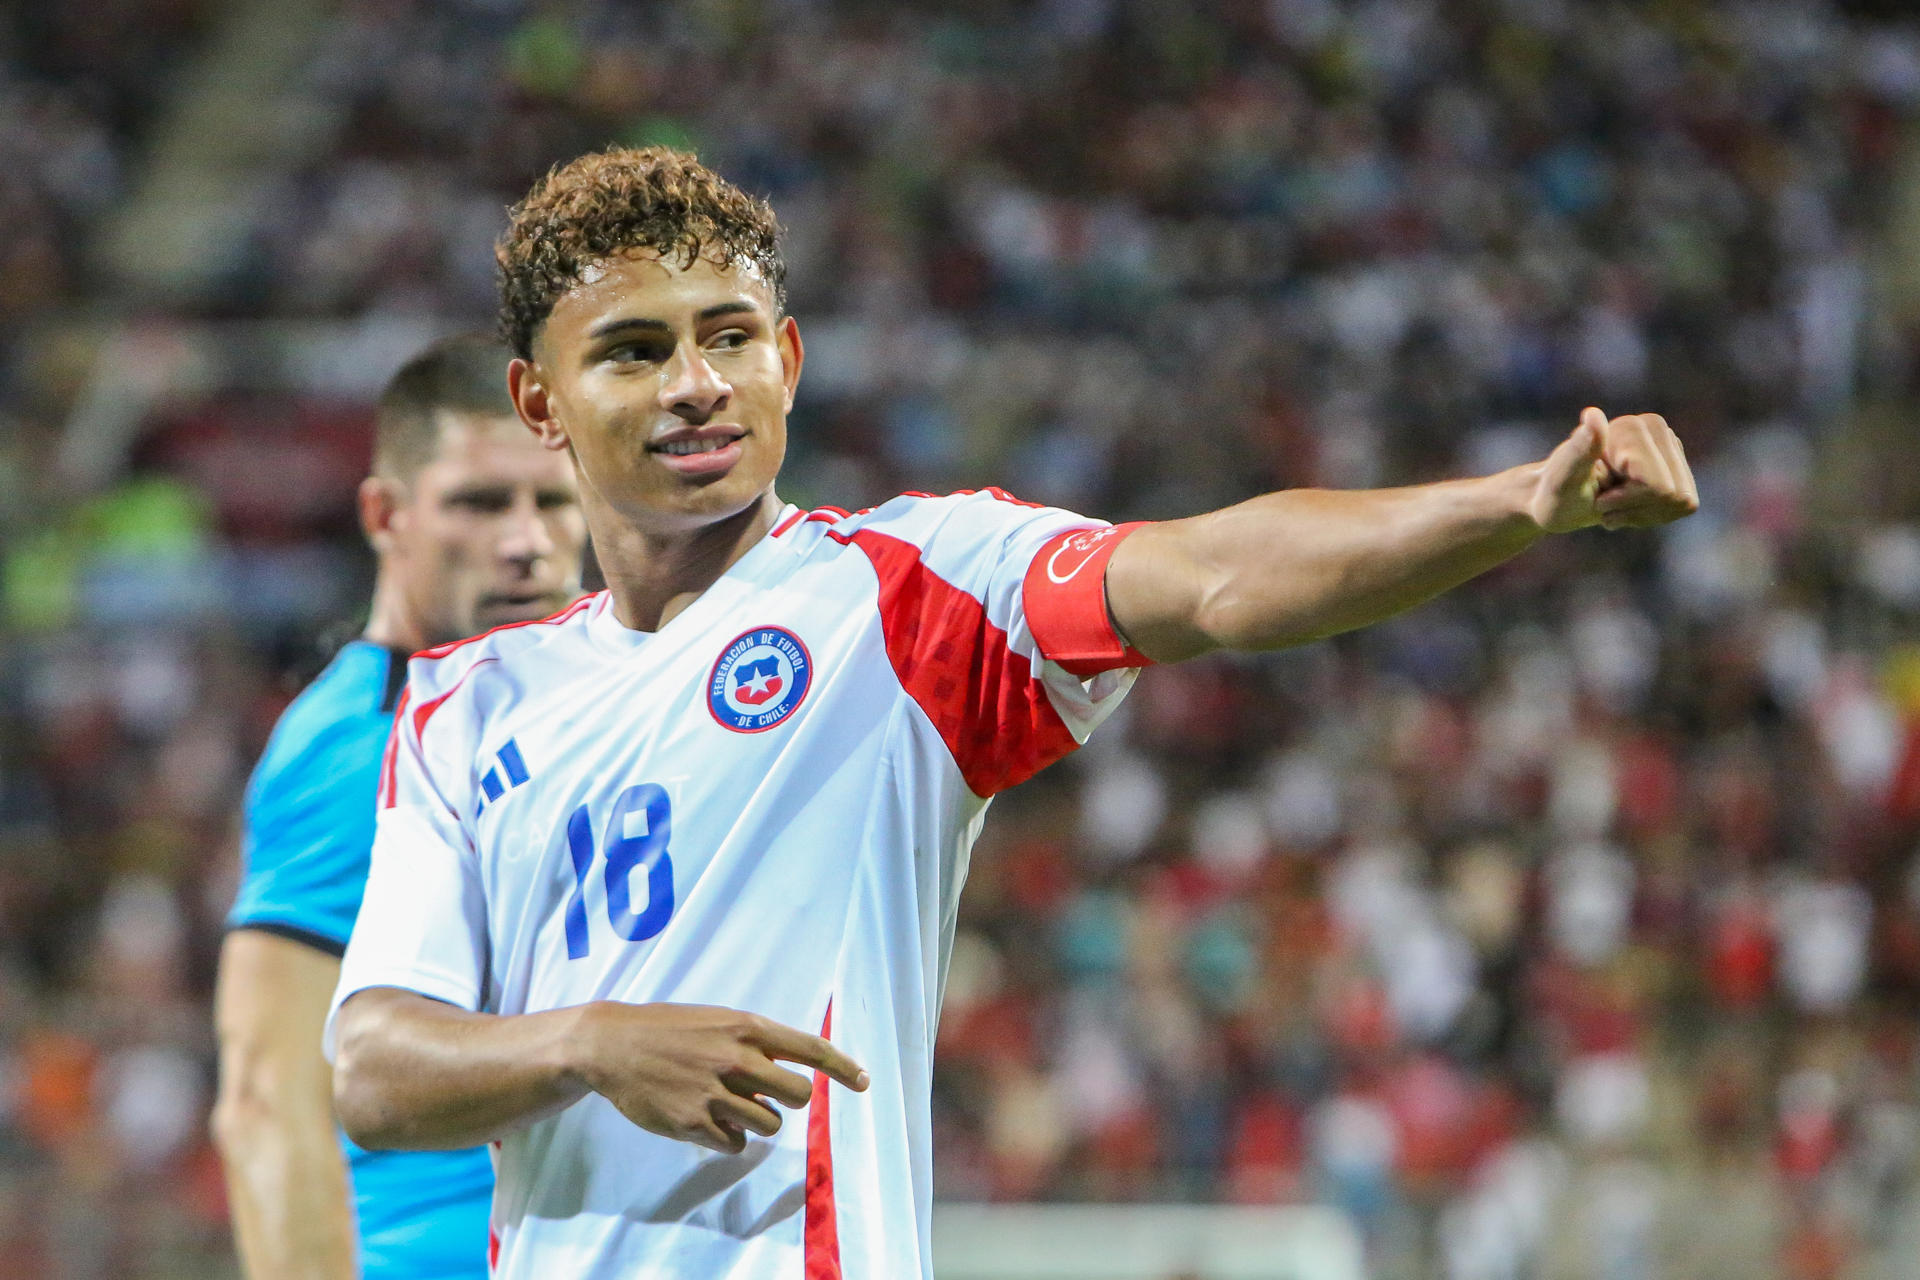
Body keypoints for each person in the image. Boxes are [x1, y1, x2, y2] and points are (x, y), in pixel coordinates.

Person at [326, 147, 1698, 1280]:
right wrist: (589, 1042)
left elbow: (1215, 577)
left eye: (729, 337)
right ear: (539, 403)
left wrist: (1516, 502)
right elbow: (374, 1063)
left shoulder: (911, 587)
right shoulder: (463, 703)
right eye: (633, 350)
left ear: (788, 361)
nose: (696, 383)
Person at [212, 333, 588, 1279]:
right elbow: (264, 1095)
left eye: (552, 499)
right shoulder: (359, 749)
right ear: (386, 513)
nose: (524, 541)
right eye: (478, 502)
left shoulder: (556, 709)